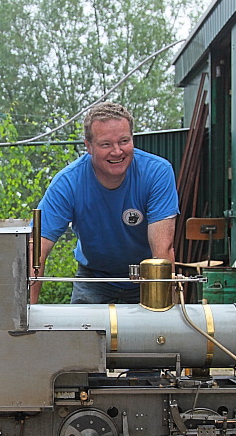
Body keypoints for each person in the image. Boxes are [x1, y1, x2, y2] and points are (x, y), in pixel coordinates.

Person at [30, 101, 179, 304]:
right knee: (81, 336)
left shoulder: (157, 173)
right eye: (106, 144)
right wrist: (26, 316)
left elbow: (162, 252)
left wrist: (166, 315)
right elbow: (35, 249)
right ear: (89, 146)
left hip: (147, 280)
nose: (117, 151)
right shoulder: (68, 182)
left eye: (124, 141)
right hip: (94, 280)